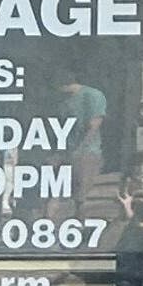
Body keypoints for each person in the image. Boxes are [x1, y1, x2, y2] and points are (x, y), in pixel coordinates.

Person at [56, 75, 107, 216]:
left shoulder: (92, 96)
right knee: (62, 192)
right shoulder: (62, 100)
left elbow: (94, 125)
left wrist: (81, 150)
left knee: (83, 195)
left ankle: (81, 225)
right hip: (66, 151)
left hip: (87, 152)